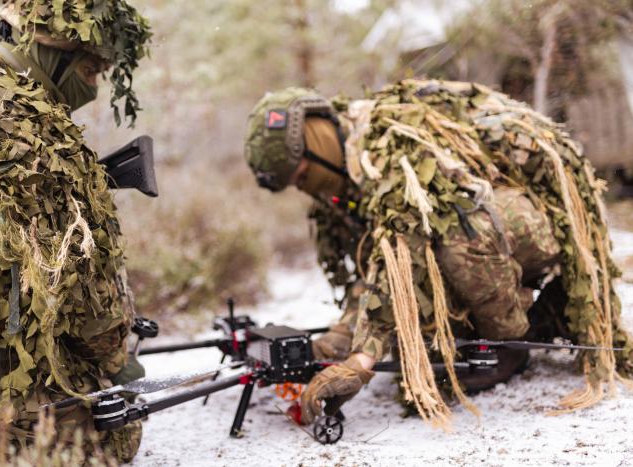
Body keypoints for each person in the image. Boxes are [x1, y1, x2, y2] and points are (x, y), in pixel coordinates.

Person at [243, 82, 633, 428]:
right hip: (492, 235)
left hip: (533, 223)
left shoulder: (388, 147)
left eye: (303, 173)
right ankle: (498, 321)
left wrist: (362, 361)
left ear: (314, 140)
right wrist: (336, 345)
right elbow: (378, 267)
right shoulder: (348, 182)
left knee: (457, 235)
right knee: (434, 283)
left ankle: (513, 339)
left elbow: (407, 249)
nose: (306, 186)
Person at [0, 0, 150, 464]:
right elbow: (91, 309)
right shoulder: (39, 135)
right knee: (118, 425)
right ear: (57, 54)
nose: (91, 88)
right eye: (92, 71)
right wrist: (119, 365)